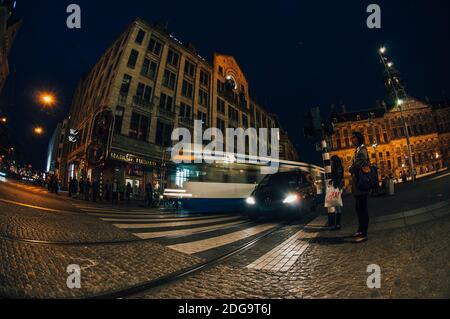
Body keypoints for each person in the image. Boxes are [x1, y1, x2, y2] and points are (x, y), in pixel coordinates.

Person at [349, 131, 370, 243]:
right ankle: (360, 230)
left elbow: (357, 164)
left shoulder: (362, 150)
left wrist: (350, 168)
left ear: (358, 138)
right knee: (358, 208)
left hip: (362, 183)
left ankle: (364, 233)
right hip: (358, 184)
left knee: (362, 209)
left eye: (353, 138)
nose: (351, 140)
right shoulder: (357, 150)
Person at [330, 155, 345, 230]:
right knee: (337, 206)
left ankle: (338, 224)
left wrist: (336, 188)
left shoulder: (336, 168)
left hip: (337, 188)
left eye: (332, 161)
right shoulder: (339, 167)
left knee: (337, 207)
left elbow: (338, 178)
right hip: (338, 187)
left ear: (334, 161)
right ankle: (337, 224)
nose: (331, 162)